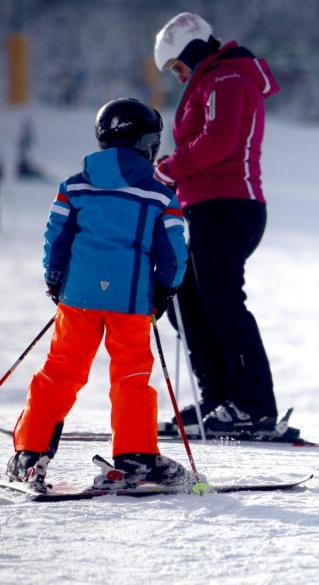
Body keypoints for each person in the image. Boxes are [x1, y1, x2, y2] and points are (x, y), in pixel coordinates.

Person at [5, 98, 189, 492]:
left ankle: (30, 454)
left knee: (60, 370)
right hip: (132, 301)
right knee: (132, 375)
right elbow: (174, 251)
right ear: (144, 142)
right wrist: (166, 288)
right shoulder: (158, 195)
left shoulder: (75, 185)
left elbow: (56, 237)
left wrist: (55, 280)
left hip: (79, 298)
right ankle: (136, 457)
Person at [151, 12, 283, 437]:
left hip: (230, 204)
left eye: (177, 66)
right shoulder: (210, 81)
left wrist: (169, 169)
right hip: (204, 206)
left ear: (192, 51)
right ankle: (218, 399)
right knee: (186, 299)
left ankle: (253, 406)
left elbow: (220, 140)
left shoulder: (228, 80)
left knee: (222, 300)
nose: (177, 75)